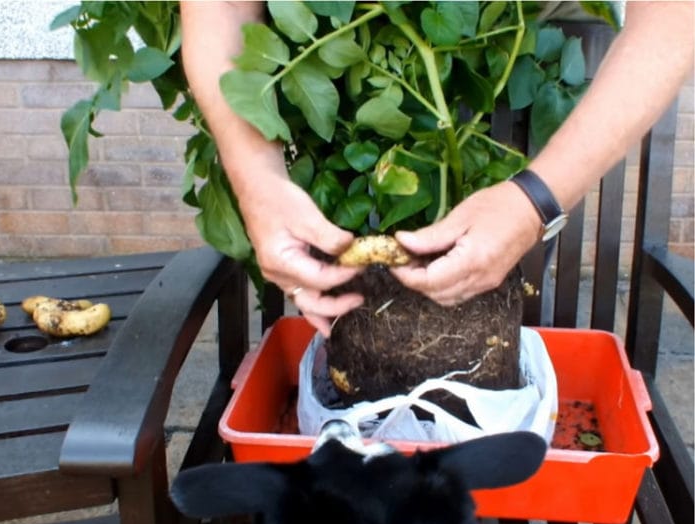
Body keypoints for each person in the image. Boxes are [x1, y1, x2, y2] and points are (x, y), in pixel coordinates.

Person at [180, 1, 694, 336]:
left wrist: (536, 198)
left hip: (516, 75)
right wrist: (255, 178)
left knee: (488, 307)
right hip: (346, 88)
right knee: (364, 312)